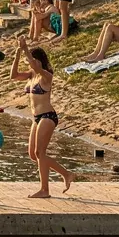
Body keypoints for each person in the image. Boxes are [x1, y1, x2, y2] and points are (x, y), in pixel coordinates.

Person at [12, 46, 73, 197]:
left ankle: (44, 190)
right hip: (36, 118)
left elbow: (35, 66)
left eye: (32, 60)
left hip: (47, 116)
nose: (30, 63)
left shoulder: (46, 75)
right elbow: (13, 76)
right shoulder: (31, 75)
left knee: (40, 152)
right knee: (34, 155)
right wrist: (18, 53)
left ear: (39, 61)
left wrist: (25, 47)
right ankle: (66, 174)